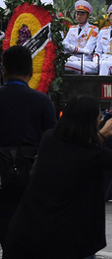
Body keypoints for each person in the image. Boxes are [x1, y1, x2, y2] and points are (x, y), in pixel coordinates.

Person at [3, 95, 112, 258]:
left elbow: (78, 148)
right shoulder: (93, 154)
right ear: (93, 121)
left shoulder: (49, 139)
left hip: (25, 234)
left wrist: (102, 135)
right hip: (67, 242)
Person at [0, 46, 57, 249]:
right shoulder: (41, 101)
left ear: (3, 70)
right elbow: (52, 141)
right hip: (31, 176)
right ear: (31, 71)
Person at [63, 0, 99, 75]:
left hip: (84, 61)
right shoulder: (72, 29)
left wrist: (71, 48)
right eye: (77, 14)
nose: (79, 16)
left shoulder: (93, 30)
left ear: (88, 16)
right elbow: (64, 44)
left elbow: (87, 51)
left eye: (82, 14)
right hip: (71, 59)